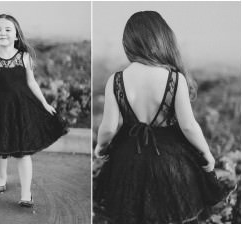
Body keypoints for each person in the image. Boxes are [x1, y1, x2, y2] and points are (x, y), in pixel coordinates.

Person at [94, 11, 230, 223]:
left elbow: (109, 127)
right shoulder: (175, 79)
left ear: (128, 43)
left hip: (128, 162)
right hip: (171, 161)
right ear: (161, 40)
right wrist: (207, 154)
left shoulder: (116, 80)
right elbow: (189, 126)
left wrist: (100, 147)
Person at [0, 14, 68, 207]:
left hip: (23, 109)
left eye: (8, 29)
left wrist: (44, 103)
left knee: (24, 152)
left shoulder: (25, 57)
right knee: (0, 149)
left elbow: (32, 83)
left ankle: (26, 194)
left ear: (16, 35)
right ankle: (1, 178)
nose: (2, 33)